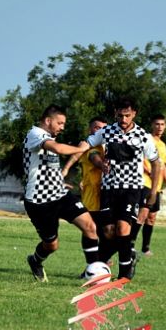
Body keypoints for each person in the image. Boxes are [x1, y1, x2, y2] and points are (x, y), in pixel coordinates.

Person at [77, 97, 161, 280]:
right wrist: (71, 151)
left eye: (127, 115)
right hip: (109, 189)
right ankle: (104, 264)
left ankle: (124, 274)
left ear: (134, 114)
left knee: (123, 228)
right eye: (120, 115)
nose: (123, 120)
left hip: (131, 189)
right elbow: (87, 143)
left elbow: (156, 164)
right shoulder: (106, 131)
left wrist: (153, 192)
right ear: (115, 113)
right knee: (108, 232)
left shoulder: (143, 136)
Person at [22, 104, 99, 282]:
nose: (62, 127)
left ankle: (93, 273)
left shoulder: (49, 136)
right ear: (48, 121)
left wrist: (59, 181)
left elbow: (47, 166)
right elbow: (58, 149)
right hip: (39, 201)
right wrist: (81, 149)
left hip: (60, 195)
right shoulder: (35, 134)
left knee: (90, 227)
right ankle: (35, 260)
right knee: (51, 245)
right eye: (60, 123)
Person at [61, 117, 117, 269]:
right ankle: (93, 264)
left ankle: (102, 260)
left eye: (104, 128)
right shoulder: (86, 145)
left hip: (108, 195)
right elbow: (88, 158)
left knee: (109, 230)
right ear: (90, 129)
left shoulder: (109, 146)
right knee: (91, 230)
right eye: (97, 128)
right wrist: (66, 169)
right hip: (92, 195)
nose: (101, 131)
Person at [131, 114, 166, 256]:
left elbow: (163, 166)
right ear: (152, 125)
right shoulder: (147, 139)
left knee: (152, 217)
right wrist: (150, 172)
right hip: (146, 183)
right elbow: (140, 159)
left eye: (162, 124)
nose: (159, 127)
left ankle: (145, 248)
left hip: (157, 186)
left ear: (165, 126)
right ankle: (129, 244)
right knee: (142, 215)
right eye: (157, 124)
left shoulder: (162, 145)